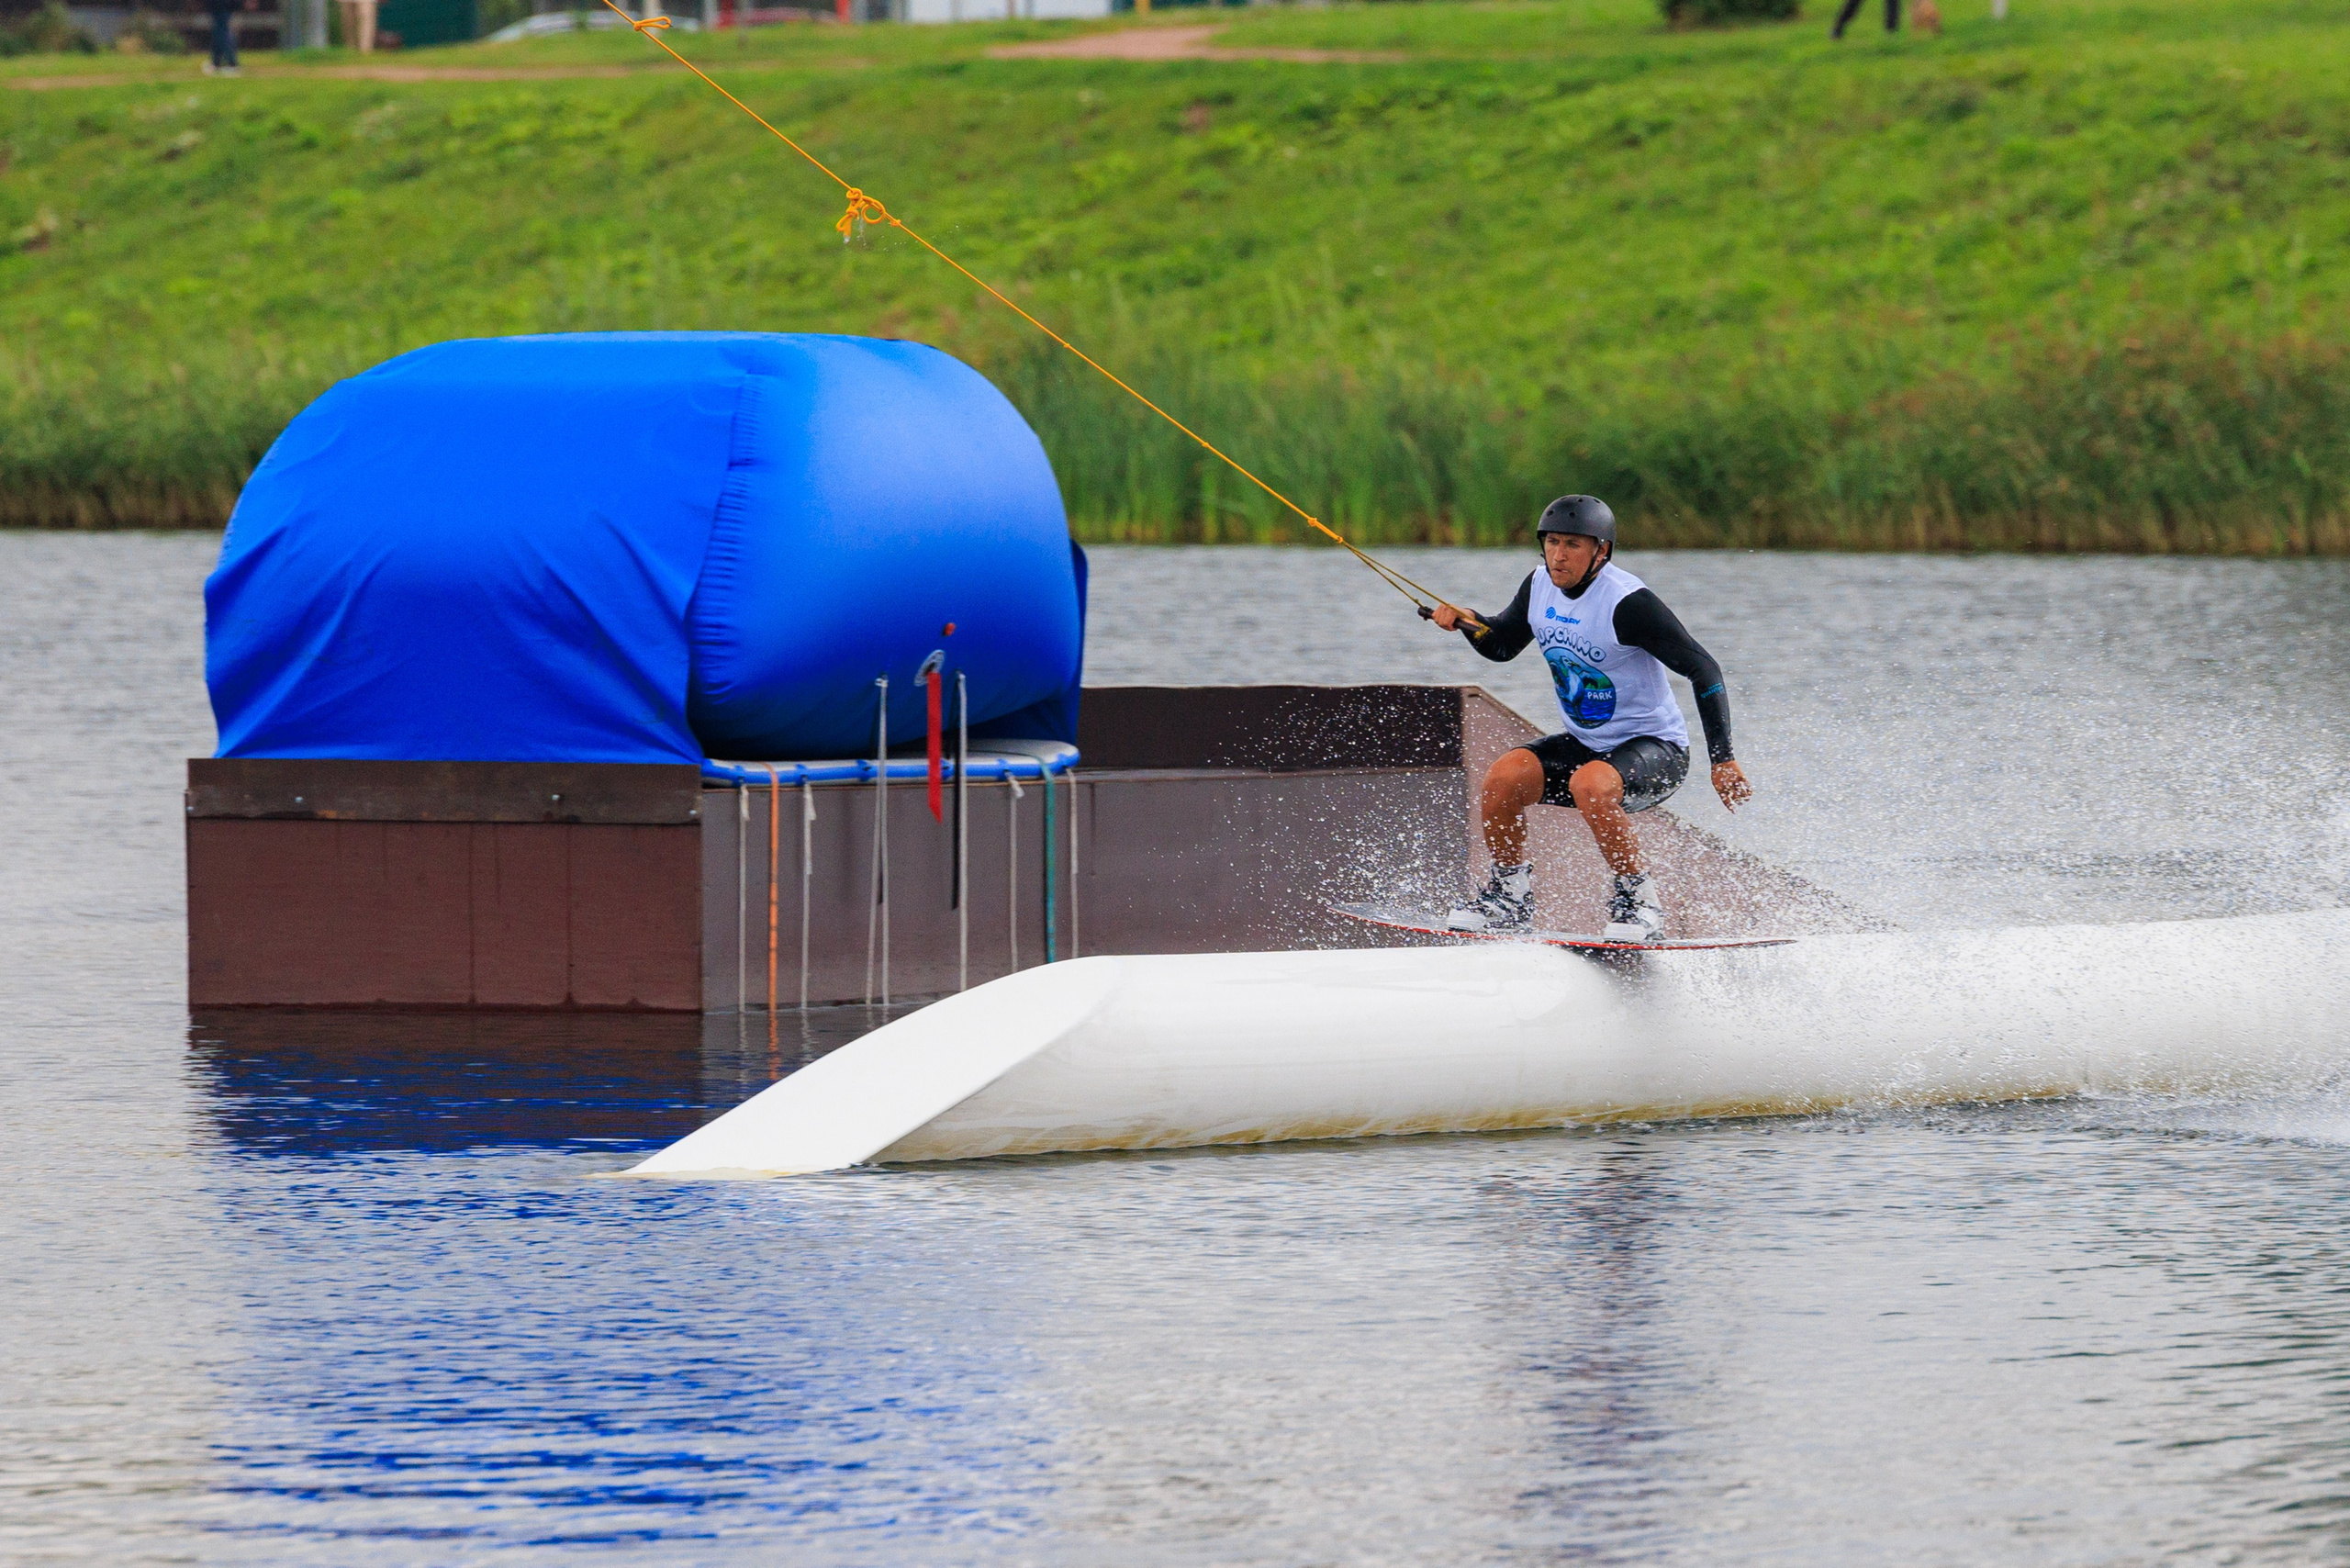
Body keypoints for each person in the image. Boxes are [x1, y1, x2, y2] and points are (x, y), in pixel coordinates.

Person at [1429, 495, 1751, 941]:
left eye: (1573, 545)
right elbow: (1502, 645)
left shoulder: (1627, 602)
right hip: (1588, 745)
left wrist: (1723, 758)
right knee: (1503, 778)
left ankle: (1640, 902)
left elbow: (1705, 669)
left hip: (1656, 751)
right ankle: (1510, 897)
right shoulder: (1539, 585)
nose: (1559, 556)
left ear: (1602, 551)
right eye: (1552, 542)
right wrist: (1469, 622)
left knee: (1590, 784)